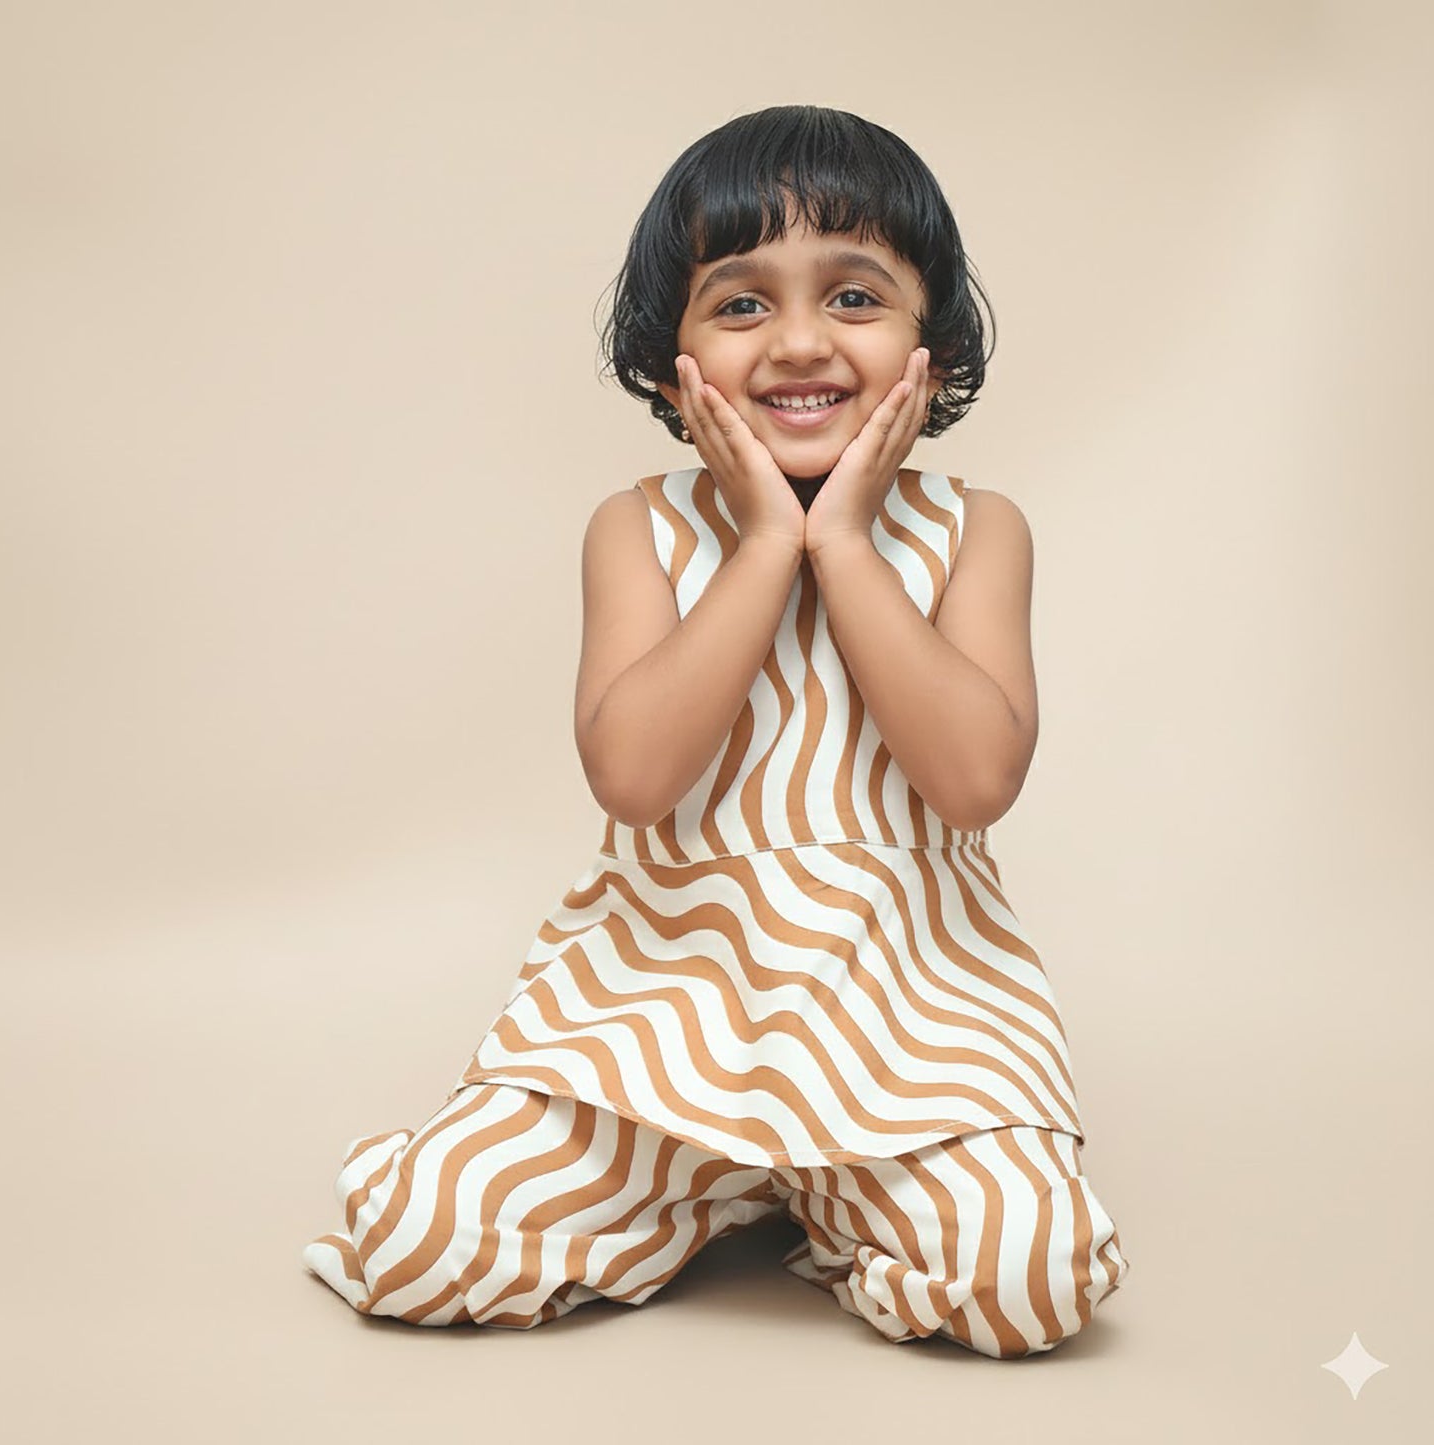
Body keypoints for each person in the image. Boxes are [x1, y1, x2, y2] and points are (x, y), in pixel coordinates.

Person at [302, 104, 1131, 1356]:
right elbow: (634, 776)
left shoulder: (979, 528)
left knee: (1026, 1277)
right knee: (422, 1236)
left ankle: (834, 1198)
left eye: (854, 296)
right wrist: (761, 543)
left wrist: (841, 540)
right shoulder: (637, 528)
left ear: (929, 342)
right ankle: (701, 1183)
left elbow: (970, 779)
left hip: (908, 1032)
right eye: (740, 304)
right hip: (658, 1024)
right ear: (670, 355)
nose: (798, 341)